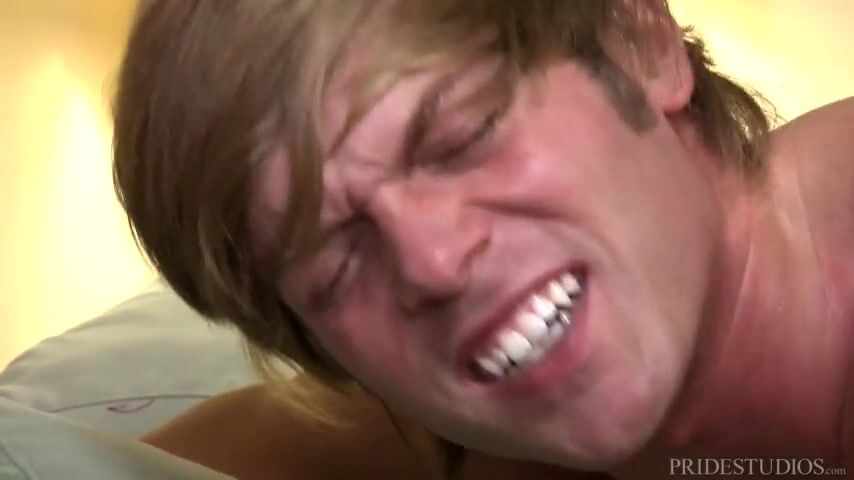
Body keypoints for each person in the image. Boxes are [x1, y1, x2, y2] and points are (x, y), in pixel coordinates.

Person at [112, 0, 854, 478]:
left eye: (462, 136)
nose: (430, 263)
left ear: (638, 43)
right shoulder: (464, 420)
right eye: (332, 264)